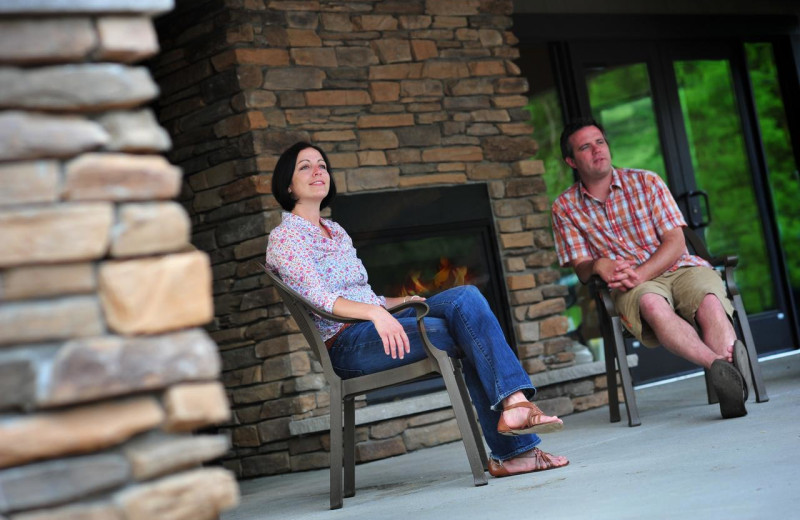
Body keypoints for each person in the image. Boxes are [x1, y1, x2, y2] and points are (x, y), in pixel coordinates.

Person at [266, 141, 569, 477]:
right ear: (287, 184)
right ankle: (514, 448)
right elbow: (321, 300)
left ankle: (514, 405)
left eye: (322, 164)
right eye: (305, 166)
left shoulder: (335, 231)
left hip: (376, 322)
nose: (318, 171)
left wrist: (399, 303)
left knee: (465, 298)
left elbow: (366, 296)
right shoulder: (286, 238)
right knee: (461, 331)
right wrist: (377, 314)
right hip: (347, 344)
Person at [551, 117, 749, 419]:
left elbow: (675, 240)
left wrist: (642, 271)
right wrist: (598, 265)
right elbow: (581, 268)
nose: (597, 150)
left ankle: (726, 377)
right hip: (632, 286)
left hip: (680, 267)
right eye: (585, 147)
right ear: (571, 160)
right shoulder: (564, 207)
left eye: (600, 142)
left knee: (709, 301)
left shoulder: (646, 181)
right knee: (653, 307)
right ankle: (724, 368)